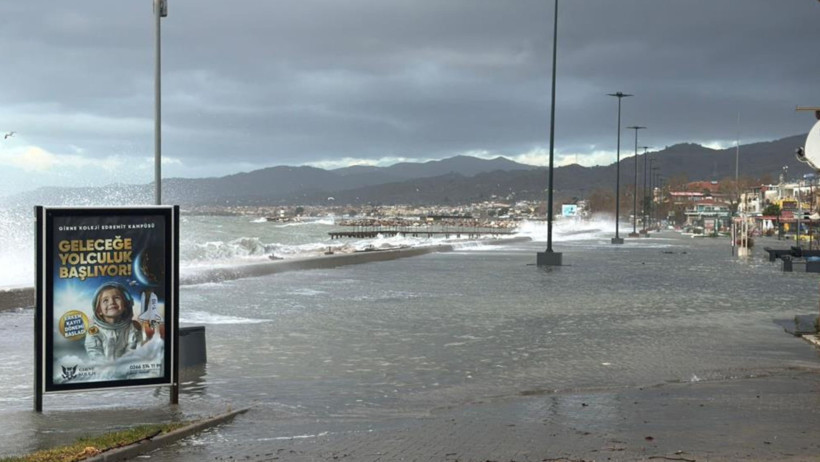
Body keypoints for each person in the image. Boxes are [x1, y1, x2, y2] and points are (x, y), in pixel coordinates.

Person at [84, 282, 142, 361]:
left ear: (125, 305)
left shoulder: (133, 327)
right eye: (105, 300)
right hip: (103, 370)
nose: (111, 302)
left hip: (127, 368)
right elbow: (94, 353)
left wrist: (122, 367)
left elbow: (133, 350)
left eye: (117, 298)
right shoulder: (94, 331)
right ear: (99, 310)